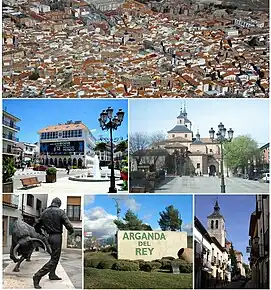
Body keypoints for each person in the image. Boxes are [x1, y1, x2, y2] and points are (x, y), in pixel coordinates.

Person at [33, 197, 74, 289]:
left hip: (48, 237)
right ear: (58, 204)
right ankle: (37, 275)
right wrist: (71, 231)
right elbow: (68, 224)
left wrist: (40, 232)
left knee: (54, 257)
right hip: (57, 237)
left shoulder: (44, 212)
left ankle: (52, 274)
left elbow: (36, 225)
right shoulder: (60, 212)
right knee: (54, 259)